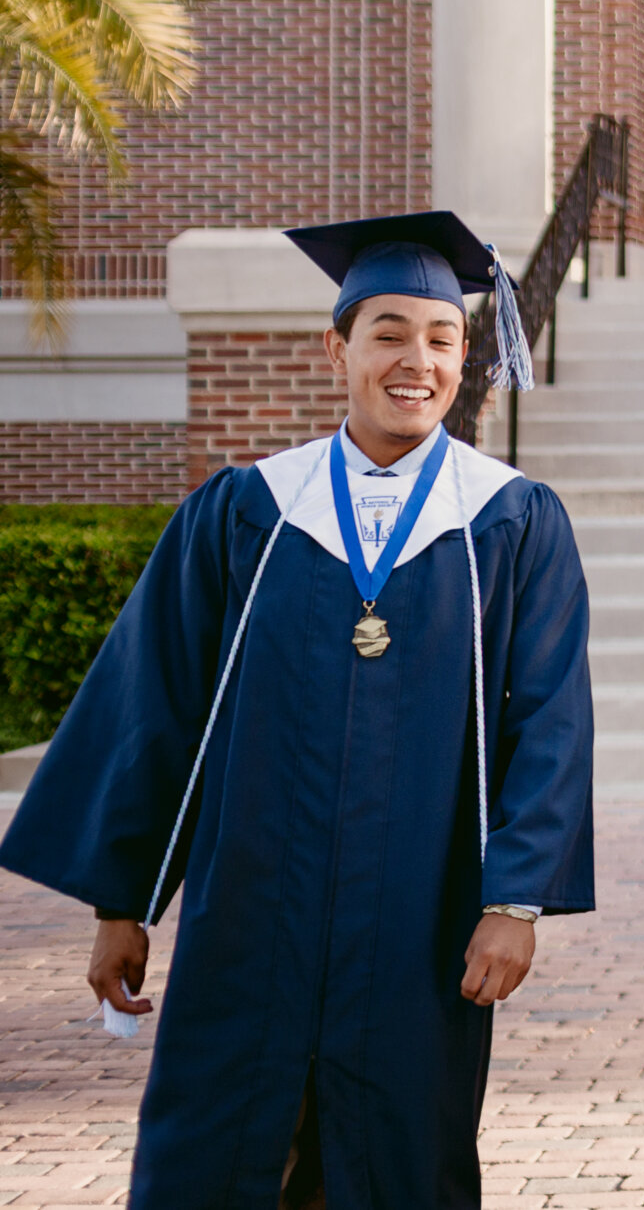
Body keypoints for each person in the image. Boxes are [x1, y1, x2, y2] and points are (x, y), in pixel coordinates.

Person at [0, 210, 595, 1207]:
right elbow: (155, 705)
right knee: (214, 1153)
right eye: (389, 334)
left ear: (464, 358)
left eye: (442, 340)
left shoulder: (512, 521)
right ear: (339, 349)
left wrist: (514, 901)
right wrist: (123, 904)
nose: (418, 361)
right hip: (248, 916)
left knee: (401, 1159)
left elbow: (550, 721)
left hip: (422, 922)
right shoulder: (247, 513)